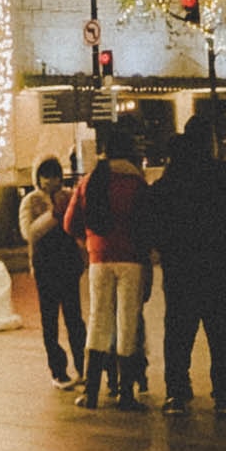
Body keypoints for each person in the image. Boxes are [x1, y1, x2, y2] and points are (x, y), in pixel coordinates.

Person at [149, 116, 226, 415]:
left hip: (181, 268)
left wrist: (163, 250)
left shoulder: (171, 177)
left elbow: (156, 215)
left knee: (179, 332)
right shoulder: (220, 172)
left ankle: (177, 392)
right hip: (219, 266)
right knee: (222, 333)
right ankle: (223, 393)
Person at [67, 124, 154, 410]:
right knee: (127, 322)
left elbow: (70, 223)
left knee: (98, 320)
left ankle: (92, 393)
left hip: (98, 260)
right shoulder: (136, 183)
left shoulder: (90, 181)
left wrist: (88, 243)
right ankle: (126, 393)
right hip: (131, 260)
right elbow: (145, 228)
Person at [23, 155, 87, 387]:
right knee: (50, 320)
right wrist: (54, 215)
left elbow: (78, 226)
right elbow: (28, 231)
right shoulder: (31, 201)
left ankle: (83, 366)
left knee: (74, 318)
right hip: (45, 266)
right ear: (38, 178)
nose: (52, 181)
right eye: (46, 176)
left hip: (68, 264)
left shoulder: (69, 197)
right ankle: (58, 369)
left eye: (56, 175)